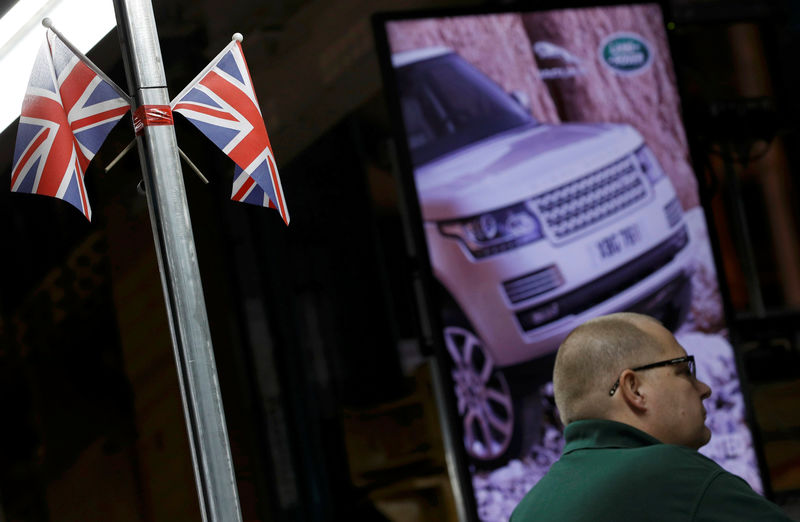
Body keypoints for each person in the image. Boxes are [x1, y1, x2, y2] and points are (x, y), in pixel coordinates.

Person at [510, 312, 792, 521]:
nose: (704, 389)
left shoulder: (526, 511)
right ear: (635, 389)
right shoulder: (672, 472)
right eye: (682, 371)